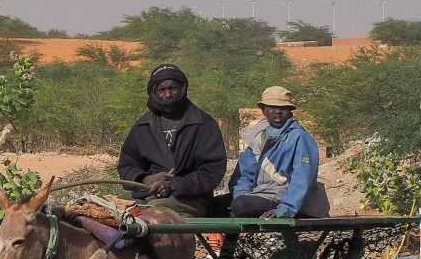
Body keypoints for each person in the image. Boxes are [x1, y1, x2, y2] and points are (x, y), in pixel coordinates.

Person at [118, 63, 227, 218]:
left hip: (192, 198)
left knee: (154, 212)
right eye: (162, 90)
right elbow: (127, 165)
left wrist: (174, 185)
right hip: (148, 193)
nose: (168, 94)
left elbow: (212, 170)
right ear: (153, 93)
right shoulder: (143, 126)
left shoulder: (203, 123)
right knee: (115, 206)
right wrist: (146, 179)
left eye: (173, 88)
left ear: (182, 88)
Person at [228, 85, 329, 219]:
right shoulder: (260, 137)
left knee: (241, 205)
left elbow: (302, 180)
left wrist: (283, 210)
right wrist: (241, 195)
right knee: (216, 206)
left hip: (287, 199)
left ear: (289, 111)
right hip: (261, 195)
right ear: (264, 111)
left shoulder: (299, 138)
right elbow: (243, 175)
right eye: (272, 107)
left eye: (283, 108)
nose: (278, 112)